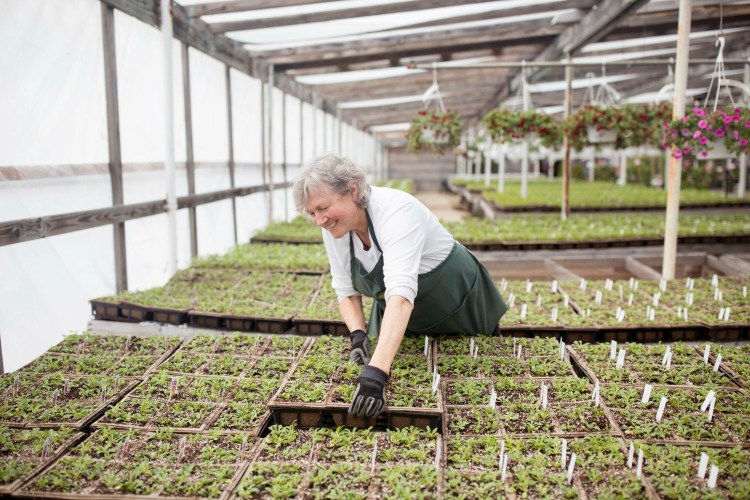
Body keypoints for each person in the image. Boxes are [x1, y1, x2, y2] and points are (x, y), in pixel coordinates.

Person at [293, 154, 507, 419]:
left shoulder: (396, 212)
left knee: (472, 376)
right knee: (419, 372)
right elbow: (346, 290)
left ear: (352, 190)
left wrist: (376, 374)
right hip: (406, 314)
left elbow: (401, 295)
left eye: (323, 209)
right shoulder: (337, 228)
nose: (319, 220)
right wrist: (358, 335)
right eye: (312, 213)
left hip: (454, 299)